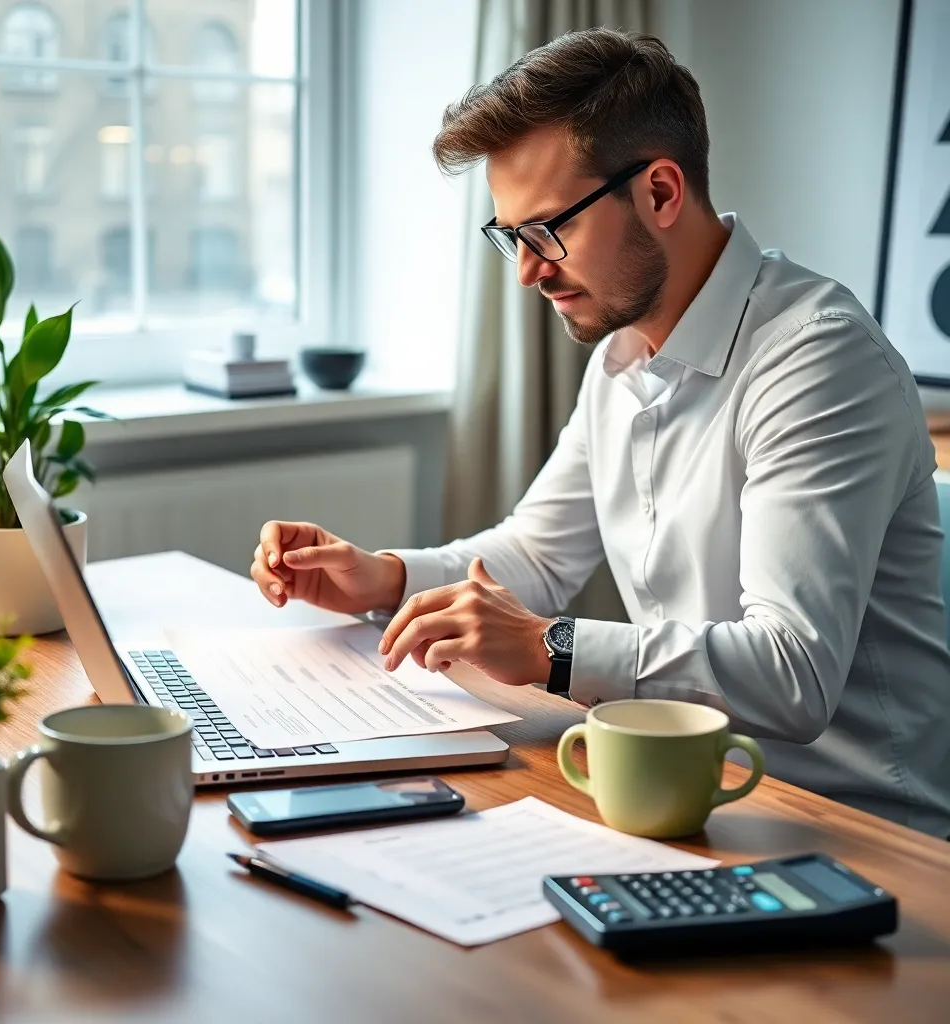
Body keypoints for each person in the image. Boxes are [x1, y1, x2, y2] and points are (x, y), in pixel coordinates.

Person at [252, 29, 950, 837]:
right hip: (689, 787)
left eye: (548, 230)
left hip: (863, 830)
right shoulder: (623, 351)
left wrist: (551, 648)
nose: (527, 271)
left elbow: (792, 673)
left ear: (659, 192)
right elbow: (537, 556)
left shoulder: (818, 360)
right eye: (511, 236)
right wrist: (378, 578)